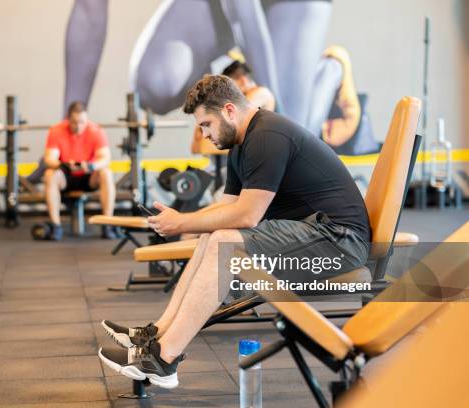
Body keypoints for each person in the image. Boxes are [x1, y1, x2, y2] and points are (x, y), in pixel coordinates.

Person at [98, 75, 371, 388]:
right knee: (213, 236)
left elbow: (247, 215)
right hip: (315, 234)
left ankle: (163, 359)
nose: (205, 135)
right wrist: (181, 219)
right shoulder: (241, 146)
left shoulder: (268, 136)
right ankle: (156, 333)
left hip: (340, 244)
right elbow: (223, 211)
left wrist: (182, 223)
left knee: (224, 242)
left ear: (229, 110)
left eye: (206, 125)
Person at [42, 101, 117, 240]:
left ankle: (107, 225)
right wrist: (63, 164)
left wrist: (91, 166)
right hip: (66, 176)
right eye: (75, 122)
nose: (79, 126)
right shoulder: (56, 130)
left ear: (86, 119)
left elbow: (105, 158)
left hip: (88, 176)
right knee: (49, 174)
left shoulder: (96, 130)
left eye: (82, 122)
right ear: (68, 119)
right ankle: (56, 226)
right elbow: (49, 158)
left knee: (106, 172)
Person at [191, 60, 275, 155]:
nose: (229, 92)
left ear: (243, 80)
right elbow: (196, 149)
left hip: (261, 149)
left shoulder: (262, 92)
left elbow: (239, 113)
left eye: (231, 86)